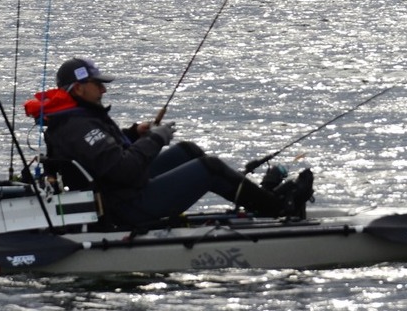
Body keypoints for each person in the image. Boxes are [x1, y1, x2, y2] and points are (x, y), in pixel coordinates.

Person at [24, 57, 313, 228]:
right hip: (122, 207)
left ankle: (263, 201)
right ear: (78, 88)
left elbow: (103, 153)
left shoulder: (77, 118)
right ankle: (280, 210)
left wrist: (136, 133)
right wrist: (154, 139)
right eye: (97, 84)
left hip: (118, 191)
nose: (103, 88)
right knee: (208, 168)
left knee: (187, 151)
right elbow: (122, 168)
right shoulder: (78, 125)